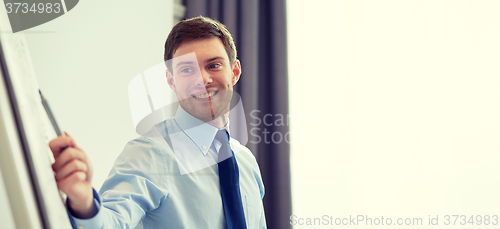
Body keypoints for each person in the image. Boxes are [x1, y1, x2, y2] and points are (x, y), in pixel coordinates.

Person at [49, 16, 266, 228]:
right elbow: (111, 222)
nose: (202, 80)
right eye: (187, 69)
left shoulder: (247, 162)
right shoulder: (149, 153)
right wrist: (85, 203)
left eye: (214, 65)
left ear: (235, 71)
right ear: (171, 81)